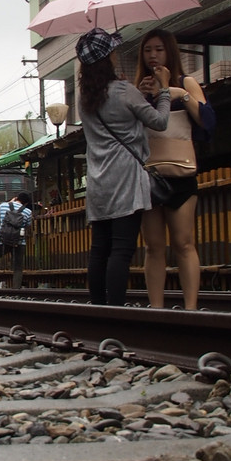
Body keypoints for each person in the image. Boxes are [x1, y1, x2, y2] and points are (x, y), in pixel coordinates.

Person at [77, 27, 170, 306]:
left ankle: (98, 306)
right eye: (113, 51)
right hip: (126, 179)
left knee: (99, 249)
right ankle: (115, 309)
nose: (117, 54)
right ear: (108, 58)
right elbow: (160, 121)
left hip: (98, 180)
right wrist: (163, 90)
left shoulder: (84, 98)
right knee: (121, 248)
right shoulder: (124, 91)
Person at [134, 27, 209, 311]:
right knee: (153, 246)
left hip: (181, 173)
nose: (153, 55)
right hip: (150, 176)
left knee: (184, 242)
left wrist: (176, 93)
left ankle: (190, 309)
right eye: (148, 50)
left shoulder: (186, 83)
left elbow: (207, 122)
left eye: (159, 49)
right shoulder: (138, 87)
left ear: (170, 51)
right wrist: (139, 100)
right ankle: (157, 308)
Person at [0, 191, 33, 289]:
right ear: (26, 203)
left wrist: (10, 202)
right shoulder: (28, 212)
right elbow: (28, 225)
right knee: (18, 267)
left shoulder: (4, 206)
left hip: (2, 240)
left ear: (16, 198)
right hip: (19, 242)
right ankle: (16, 288)